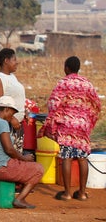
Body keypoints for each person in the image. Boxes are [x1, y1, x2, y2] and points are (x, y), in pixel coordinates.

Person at [39, 56, 101, 201]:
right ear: (78, 68)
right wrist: (87, 120)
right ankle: (82, 193)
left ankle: (67, 193)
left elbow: (53, 103)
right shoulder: (87, 84)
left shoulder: (63, 83)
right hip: (82, 126)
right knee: (82, 157)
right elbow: (96, 104)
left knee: (66, 157)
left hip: (66, 125)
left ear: (66, 68)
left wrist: (53, 121)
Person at [0, 95, 43, 209]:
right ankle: (20, 199)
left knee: (23, 165)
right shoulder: (2, 123)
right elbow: (9, 149)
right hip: (1, 167)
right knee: (38, 169)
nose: (12, 116)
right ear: (6, 109)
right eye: (12, 112)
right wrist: (24, 158)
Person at [0, 48, 26, 153]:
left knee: (17, 154)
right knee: (9, 153)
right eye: (14, 59)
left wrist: (24, 111)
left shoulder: (13, 77)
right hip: (7, 124)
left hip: (17, 124)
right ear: (6, 61)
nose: (17, 62)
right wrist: (12, 119)